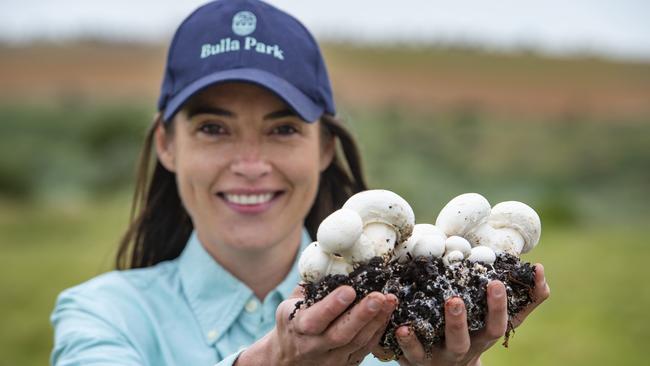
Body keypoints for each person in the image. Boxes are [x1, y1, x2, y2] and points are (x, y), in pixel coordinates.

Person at [50, 0, 550, 365]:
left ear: (324, 148)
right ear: (167, 145)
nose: (249, 163)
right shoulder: (102, 314)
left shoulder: (394, 321)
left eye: (284, 128)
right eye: (213, 128)